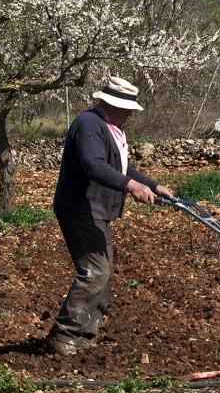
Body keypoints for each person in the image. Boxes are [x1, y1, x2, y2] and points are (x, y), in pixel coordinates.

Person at [46, 76, 173, 357]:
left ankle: (83, 334)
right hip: (81, 210)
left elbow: (122, 167)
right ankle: (64, 334)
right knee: (96, 273)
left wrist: (152, 185)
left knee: (104, 275)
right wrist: (132, 187)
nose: (130, 113)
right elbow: (95, 166)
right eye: (126, 107)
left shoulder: (110, 128)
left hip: (97, 211)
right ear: (110, 103)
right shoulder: (89, 125)